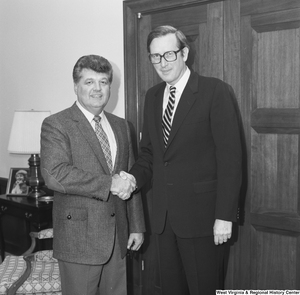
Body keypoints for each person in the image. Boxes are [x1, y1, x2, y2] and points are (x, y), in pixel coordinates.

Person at [121, 25, 242, 294]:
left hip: (204, 220)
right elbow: (150, 154)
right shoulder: (152, 97)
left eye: (169, 55)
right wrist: (132, 178)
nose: (162, 63)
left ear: (184, 53)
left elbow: (230, 160)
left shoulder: (214, 91)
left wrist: (224, 216)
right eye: (155, 56)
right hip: (164, 220)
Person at [40, 54, 145, 295]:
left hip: (118, 236)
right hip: (78, 240)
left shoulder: (122, 125)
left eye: (104, 82)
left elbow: (128, 177)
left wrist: (137, 226)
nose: (97, 89)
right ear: (76, 86)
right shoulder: (57, 124)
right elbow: (56, 174)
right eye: (89, 82)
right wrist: (110, 183)